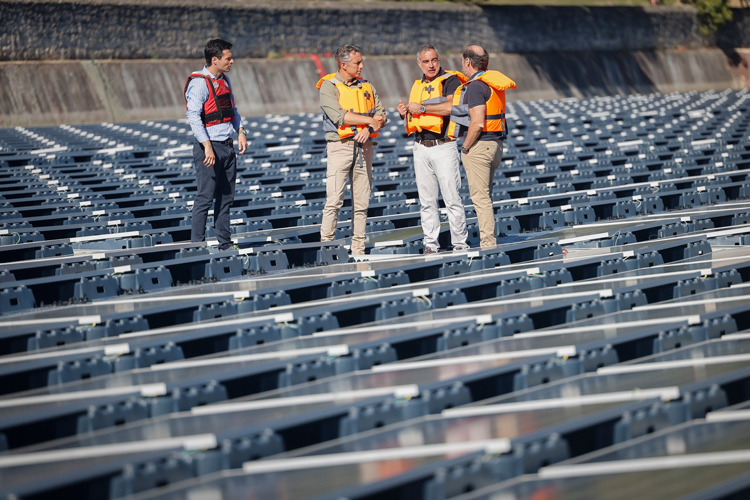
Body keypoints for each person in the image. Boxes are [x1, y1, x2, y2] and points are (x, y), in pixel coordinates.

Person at [397, 45, 469, 254]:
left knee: (452, 199)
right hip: (421, 146)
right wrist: (405, 113)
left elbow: (451, 107)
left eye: (434, 60)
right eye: (426, 61)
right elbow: (416, 115)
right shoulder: (418, 84)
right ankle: (430, 244)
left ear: (439, 60)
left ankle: (460, 245)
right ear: (419, 63)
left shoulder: (451, 80)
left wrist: (421, 108)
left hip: (443, 146)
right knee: (426, 201)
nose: (431, 65)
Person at [317, 44, 386, 256]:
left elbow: (382, 114)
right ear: (343, 65)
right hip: (340, 147)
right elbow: (340, 116)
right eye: (357, 63)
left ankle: (358, 249)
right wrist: (369, 121)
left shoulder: (367, 86)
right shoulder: (329, 87)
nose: (362, 66)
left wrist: (368, 126)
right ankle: (327, 249)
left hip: (365, 149)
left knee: (362, 202)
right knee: (334, 200)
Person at [447, 45, 516, 248]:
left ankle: (488, 244)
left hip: (481, 146)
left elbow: (477, 122)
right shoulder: (491, 82)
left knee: (480, 198)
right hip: (496, 145)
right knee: (486, 195)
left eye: (462, 61)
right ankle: (490, 239)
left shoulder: (476, 86)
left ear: (468, 62)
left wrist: (465, 147)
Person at [184, 38, 247, 251]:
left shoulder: (225, 80)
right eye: (228, 58)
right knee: (205, 197)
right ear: (215, 59)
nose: (232, 61)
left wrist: (241, 131)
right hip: (209, 148)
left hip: (228, 147)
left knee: (226, 198)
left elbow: (234, 111)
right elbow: (193, 116)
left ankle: (225, 244)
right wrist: (207, 146)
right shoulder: (200, 82)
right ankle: (197, 247)